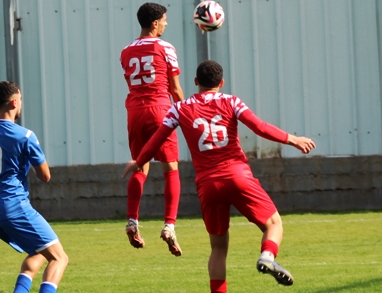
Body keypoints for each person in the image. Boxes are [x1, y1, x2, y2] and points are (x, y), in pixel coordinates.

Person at [122, 60, 315, 292]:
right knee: (273, 224)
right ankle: (267, 256)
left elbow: (156, 140)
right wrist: (293, 139)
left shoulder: (179, 109)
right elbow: (259, 127)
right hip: (238, 176)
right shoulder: (231, 101)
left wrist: (139, 161)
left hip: (208, 185)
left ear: (196, 82)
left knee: (218, 248)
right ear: (221, 83)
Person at [0, 81, 68, 293]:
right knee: (59, 257)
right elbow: (45, 176)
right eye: (21, 100)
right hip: (15, 208)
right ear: (14, 102)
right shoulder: (25, 136)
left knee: (38, 252)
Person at [119, 2, 186, 255]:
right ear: (155, 23)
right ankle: (169, 226)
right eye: (164, 20)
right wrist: (186, 115)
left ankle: (132, 221)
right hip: (160, 110)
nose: (166, 24)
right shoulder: (165, 47)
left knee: (140, 165)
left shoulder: (126, 51)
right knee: (171, 169)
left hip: (135, 112)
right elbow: (175, 88)